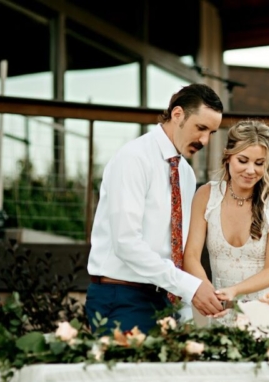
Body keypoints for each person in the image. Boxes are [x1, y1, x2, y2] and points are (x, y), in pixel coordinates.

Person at [85, 84, 225, 333]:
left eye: (211, 133)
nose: (205, 140)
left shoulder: (186, 174)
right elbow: (126, 242)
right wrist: (189, 287)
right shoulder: (133, 159)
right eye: (201, 128)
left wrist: (184, 313)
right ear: (178, 114)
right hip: (122, 297)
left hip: (166, 300)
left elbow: (177, 252)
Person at [183, 120, 269, 330]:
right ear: (228, 157)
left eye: (259, 163)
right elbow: (190, 255)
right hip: (222, 311)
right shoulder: (206, 196)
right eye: (243, 160)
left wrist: (234, 291)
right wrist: (206, 291)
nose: (250, 170)